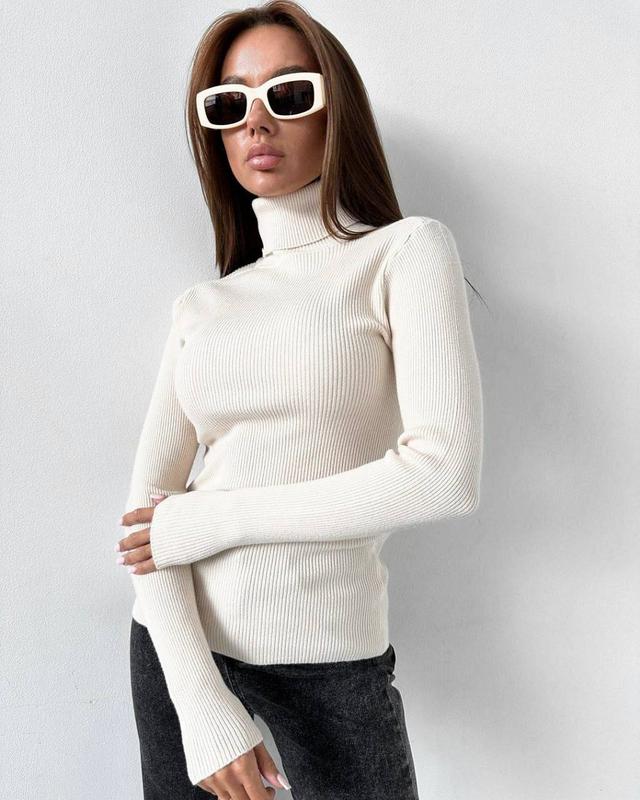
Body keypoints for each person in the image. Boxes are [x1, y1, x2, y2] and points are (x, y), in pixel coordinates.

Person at [115, 2, 484, 798]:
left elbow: (444, 474)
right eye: (229, 104)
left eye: (287, 95)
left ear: (334, 108)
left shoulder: (404, 252)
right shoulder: (204, 306)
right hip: (180, 652)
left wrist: (218, 518)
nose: (256, 122)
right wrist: (200, 705)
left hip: (331, 666)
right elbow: (147, 524)